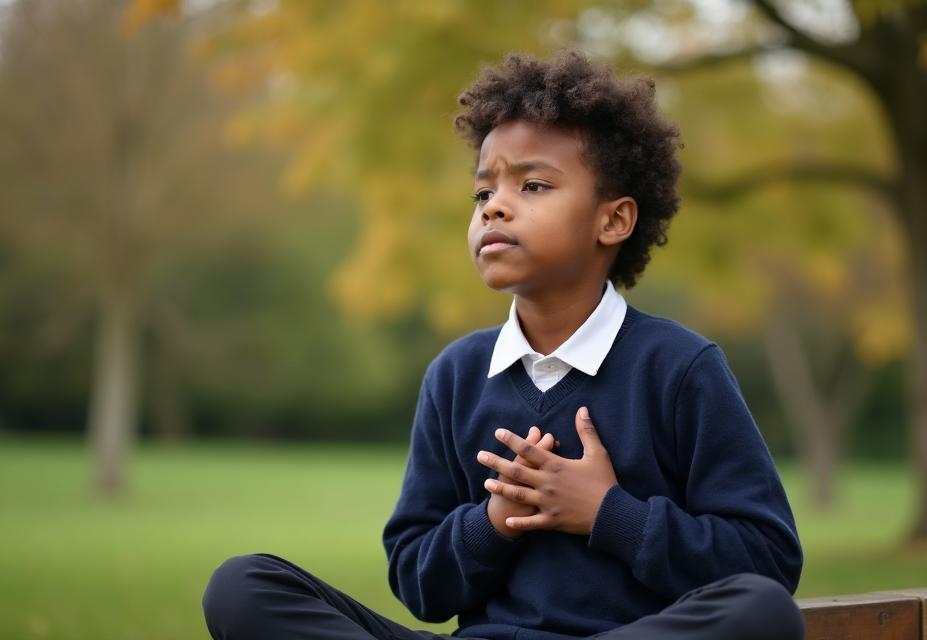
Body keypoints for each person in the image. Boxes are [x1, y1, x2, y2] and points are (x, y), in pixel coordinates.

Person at [202, 49, 805, 640]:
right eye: (483, 193)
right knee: (244, 586)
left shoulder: (679, 368)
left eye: (533, 185)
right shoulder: (456, 375)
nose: (494, 208)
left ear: (613, 221)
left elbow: (767, 563)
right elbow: (419, 585)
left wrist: (607, 512)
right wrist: (495, 521)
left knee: (759, 609)